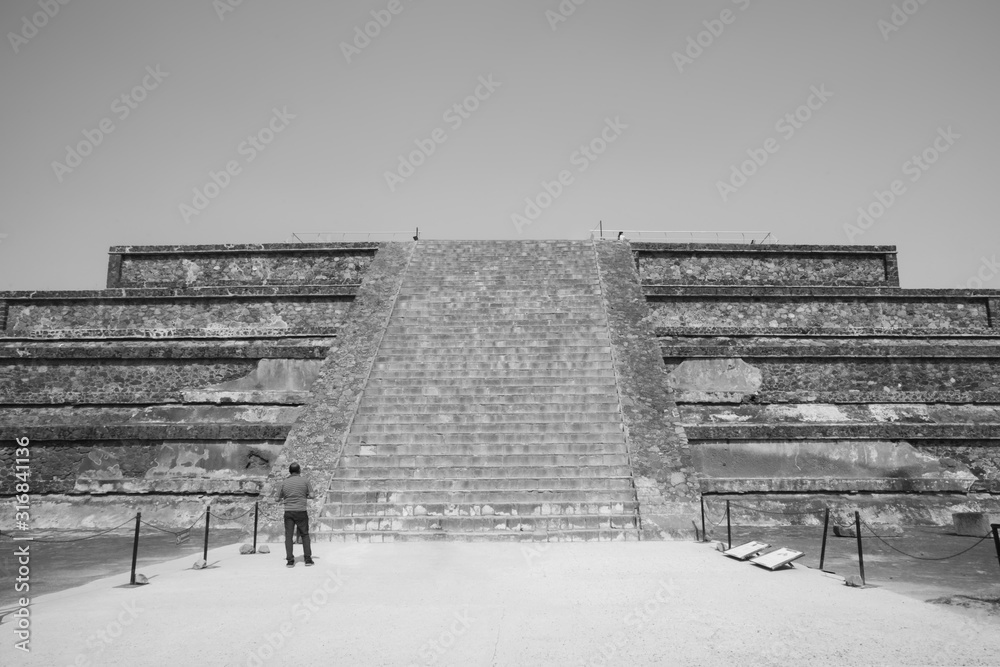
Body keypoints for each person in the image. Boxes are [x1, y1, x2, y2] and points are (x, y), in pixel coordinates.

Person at [275, 462, 314, 567]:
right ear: (299, 470)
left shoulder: (284, 483)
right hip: (301, 511)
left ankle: (290, 560)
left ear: (289, 471)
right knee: (305, 535)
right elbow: (312, 495)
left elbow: (276, 498)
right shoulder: (305, 481)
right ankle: (308, 559)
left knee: (289, 536)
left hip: (289, 511)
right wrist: (304, 495)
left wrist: (286, 496)